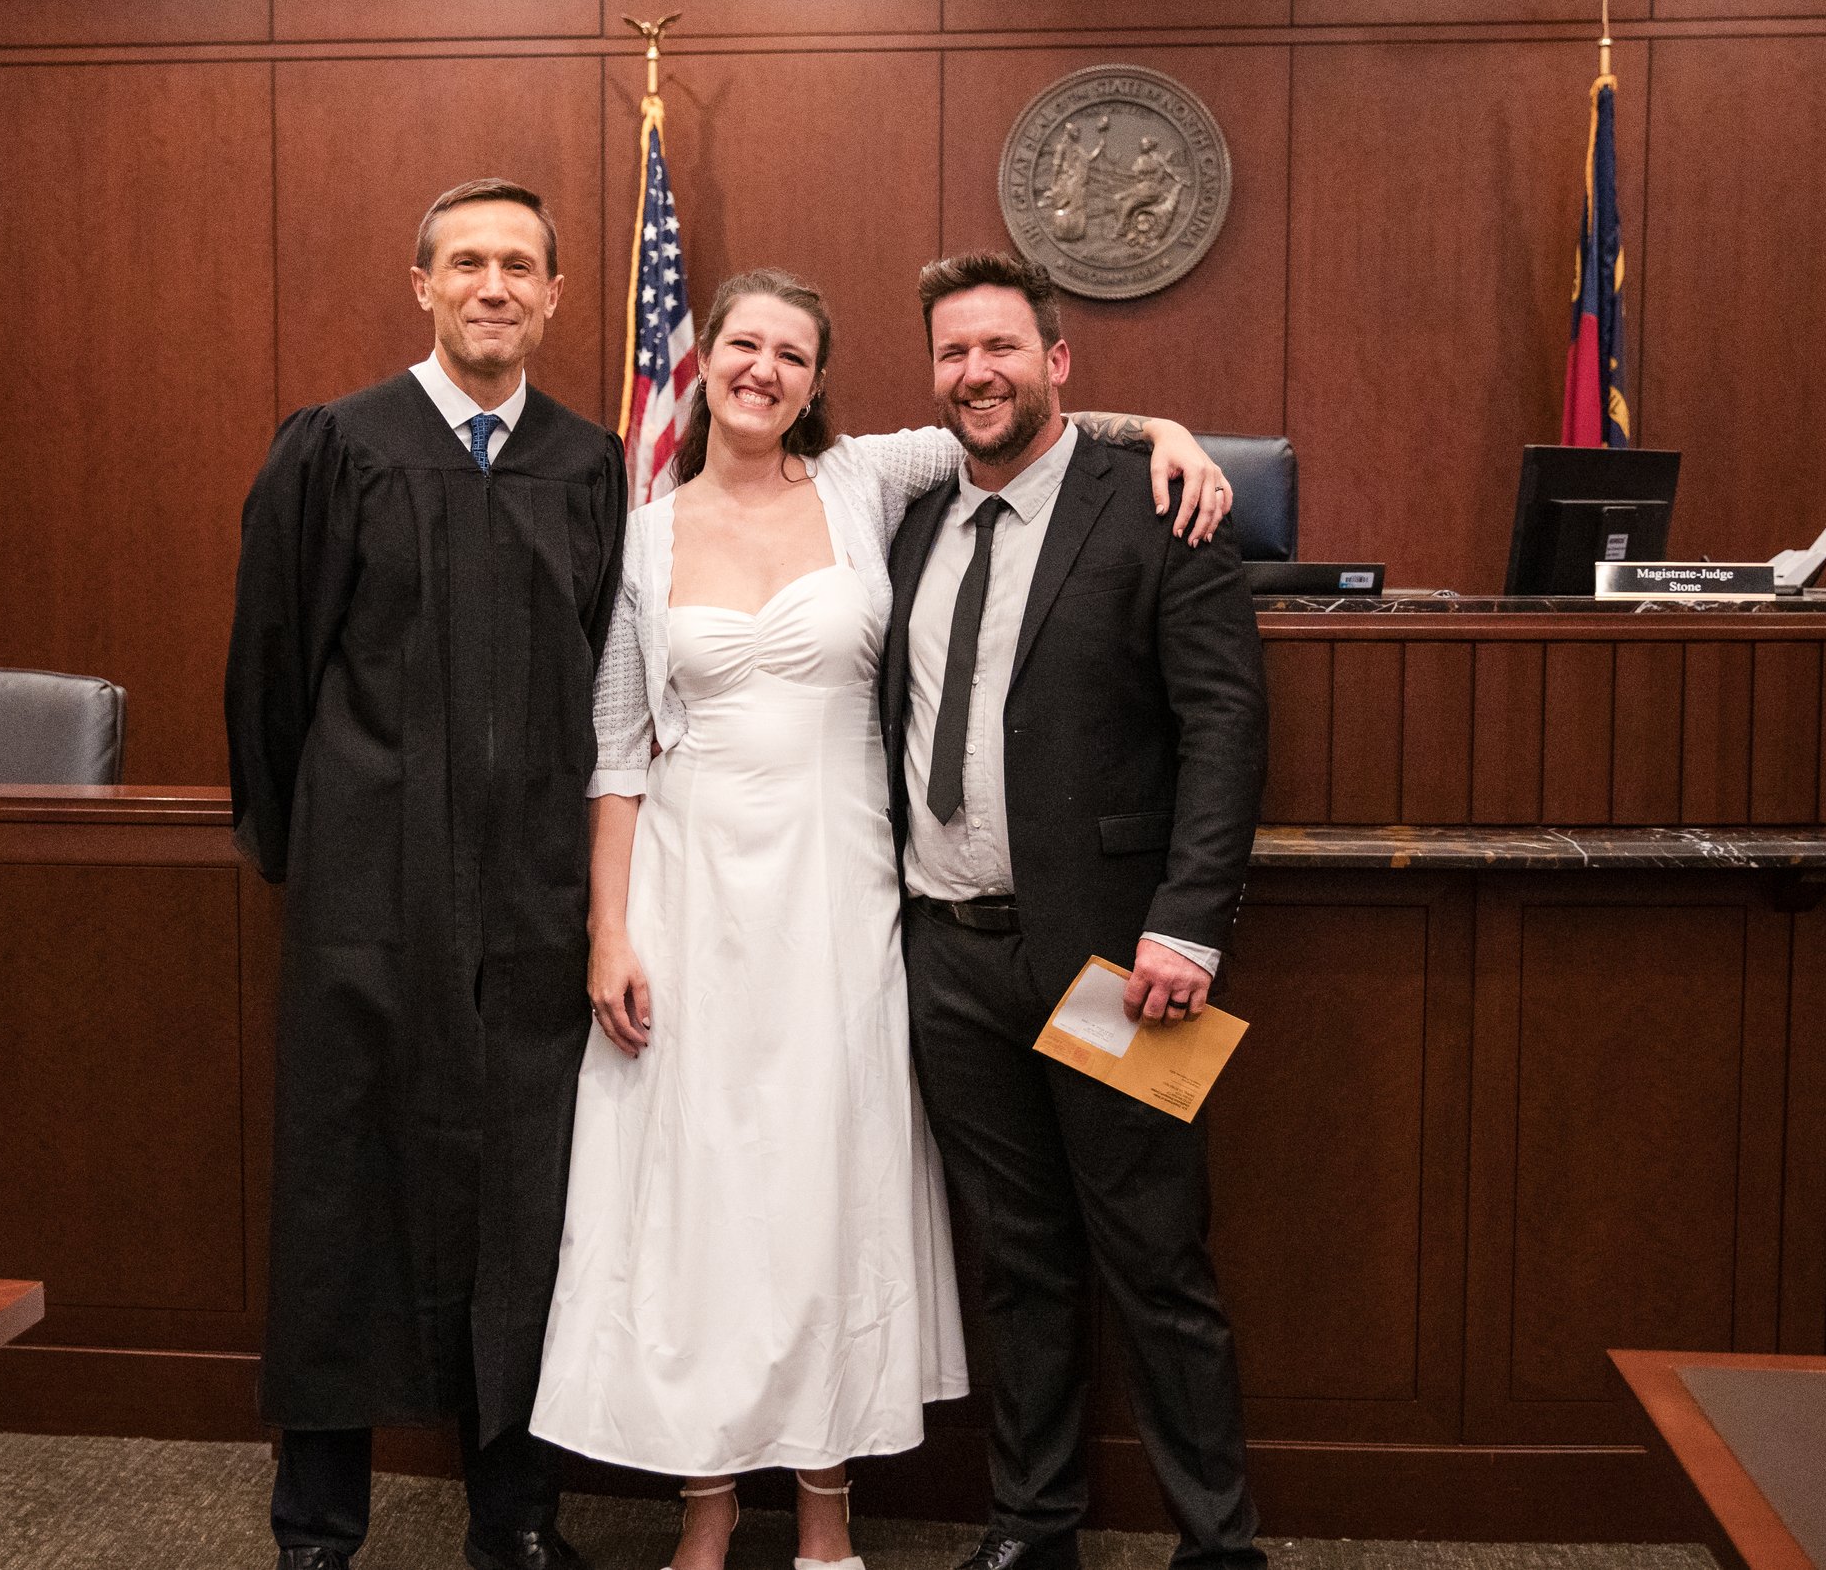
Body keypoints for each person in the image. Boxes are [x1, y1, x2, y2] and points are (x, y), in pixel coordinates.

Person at [533, 267, 1232, 1570]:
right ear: (705, 361)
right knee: (959, 1245)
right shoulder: (654, 535)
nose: (764, 369)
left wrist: (1170, 432)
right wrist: (610, 933)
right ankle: (978, 1529)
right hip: (837, 932)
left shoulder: (872, 482)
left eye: (793, 353)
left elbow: (1026, 422)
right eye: (744, 344)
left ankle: (1210, 1547)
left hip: (1030, 943)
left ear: (818, 379)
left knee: (1149, 1243)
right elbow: (617, 750)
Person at [225, 178, 625, 1570]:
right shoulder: (337, 447)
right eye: (468, 262)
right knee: (344, 1200)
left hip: (531, 899)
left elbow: (610, 683)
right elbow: (267, 677)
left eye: (520, 264)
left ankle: (515, 1520)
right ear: (422, 283)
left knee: (528, 1203)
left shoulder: (593, 465)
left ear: (557, 296)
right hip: (366, 900)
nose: (494, 285)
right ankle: (317, 1526)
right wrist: (316, 856)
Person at [881, 252, 1270, 1570]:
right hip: (945, 957)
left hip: (1123, 963)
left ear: (1058, 364)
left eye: (999, 347)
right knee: (1020, 1265)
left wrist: (1189, 923)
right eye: (951, 354)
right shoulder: (914, 521)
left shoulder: (1157, 504)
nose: (974, 373)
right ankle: (1031, 1530)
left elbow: (1222, 721)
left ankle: (1219, 1546)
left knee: (1158, 1261)